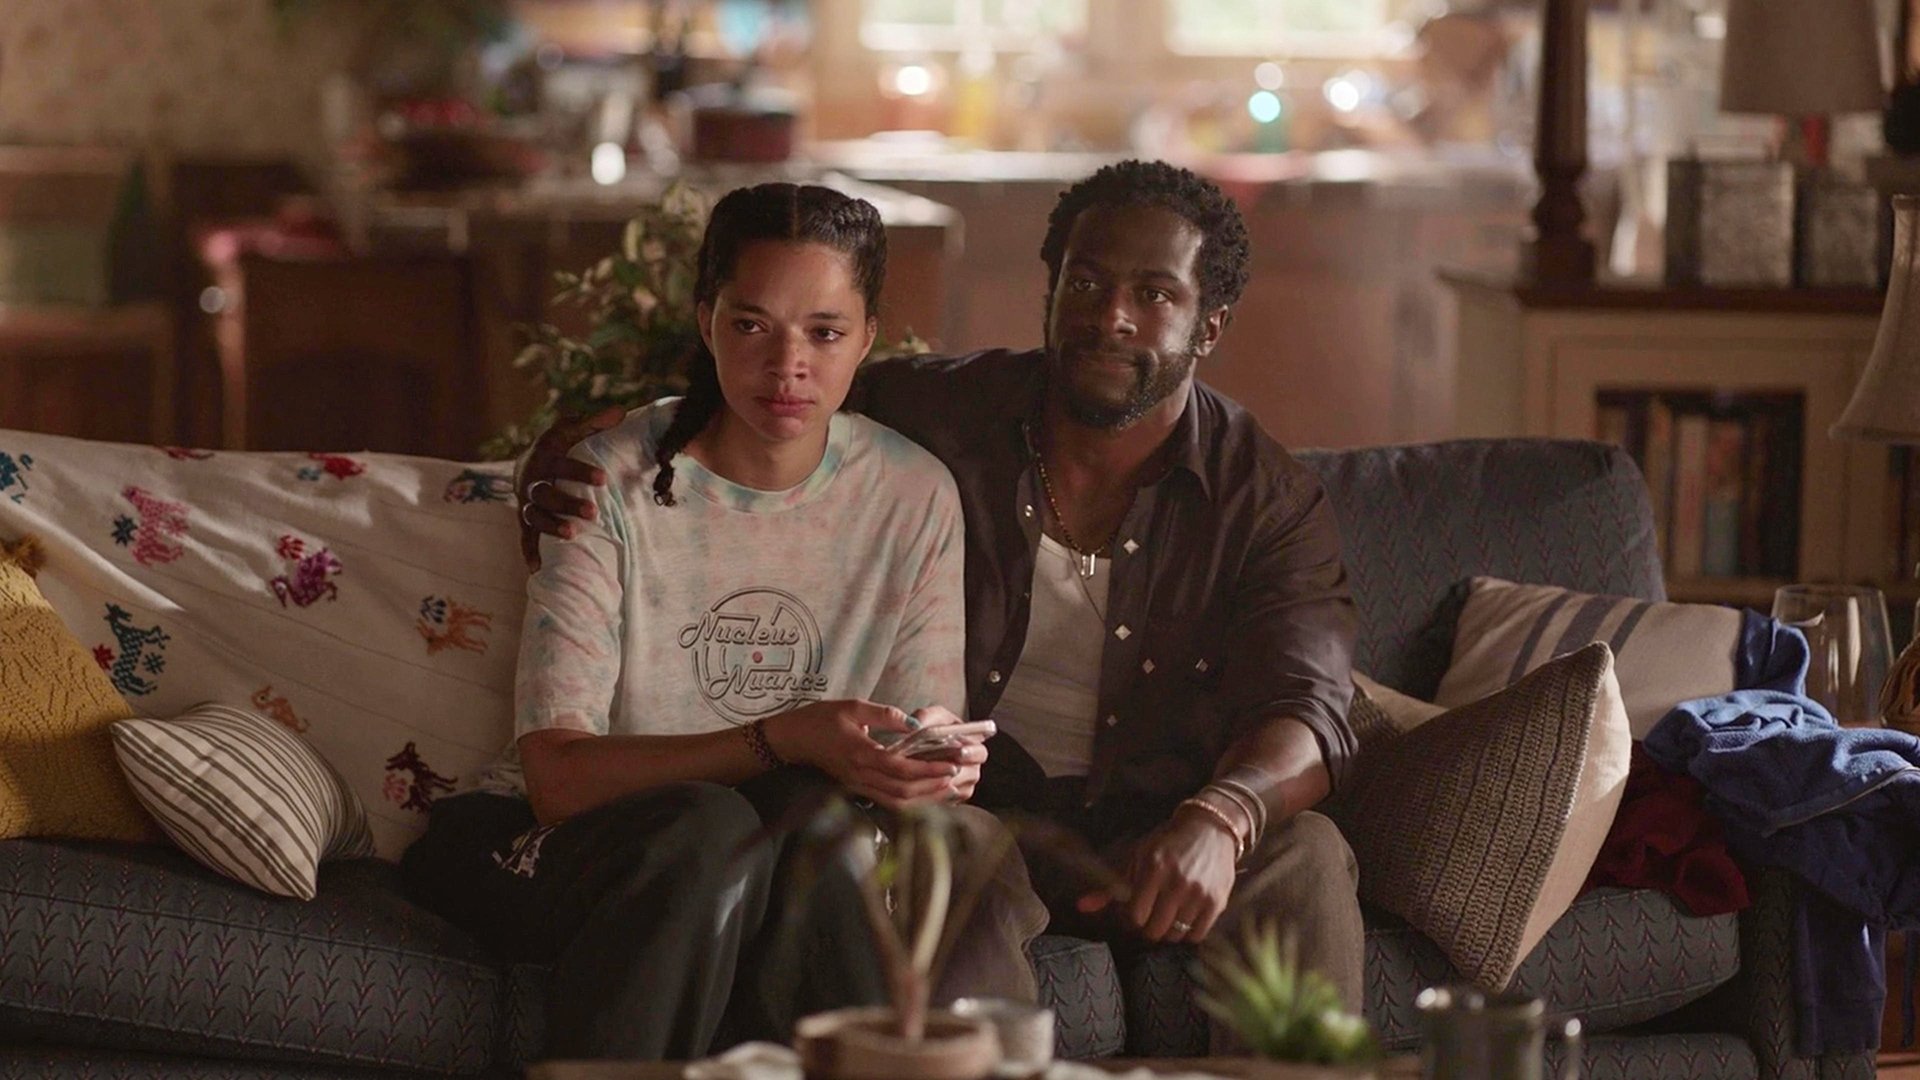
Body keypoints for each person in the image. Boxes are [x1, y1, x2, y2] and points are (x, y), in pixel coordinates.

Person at [518, 161, 1365, 1036]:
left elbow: (1309, 707)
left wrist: (1224, 816)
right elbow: (778, 386)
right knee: (940, 852)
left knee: (1307, 853)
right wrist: (571, 450)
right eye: (1086, 282)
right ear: (1051, 289)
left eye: (1154, 294)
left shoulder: (1265, 498)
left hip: (1168, 824)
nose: (1110, 315)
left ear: (1208, 323)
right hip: (981, 815)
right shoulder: (946, 412)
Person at [404, 182, 1045, 1063]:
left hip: (782, 845)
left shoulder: (912, 494)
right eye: (752, 325)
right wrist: (784, 735)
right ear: (706, 321)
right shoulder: (604, 482)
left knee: (817, 824)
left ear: (867, 337)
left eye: (824, 332)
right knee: (708, 828)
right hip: (547, 841)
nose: (788, 365)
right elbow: (556, 780)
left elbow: (910, 740)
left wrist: (926, 758)